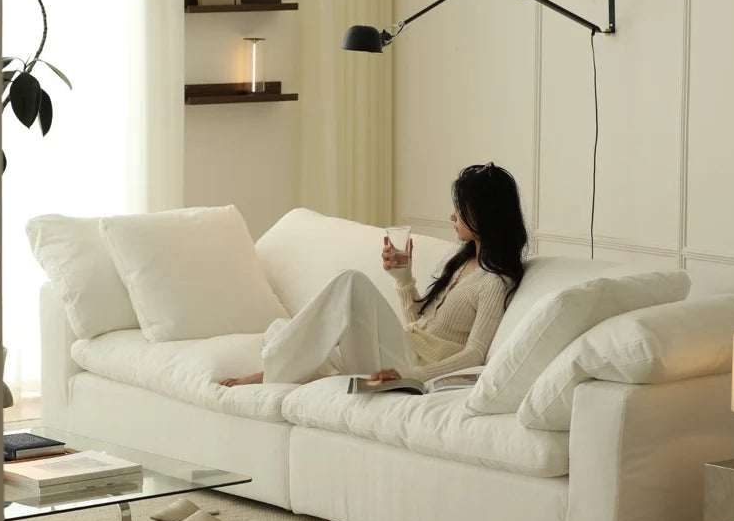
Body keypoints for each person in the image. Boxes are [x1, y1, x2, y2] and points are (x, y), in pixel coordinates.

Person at [220, 162, 528, 387]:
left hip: (411, 366)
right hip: (403, 353)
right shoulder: (463, 261)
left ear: (486, 214)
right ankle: (287, 369)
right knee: (284, 330)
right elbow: (415, 325)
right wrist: (403, 277)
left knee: (350, 283)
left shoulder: (494, 283)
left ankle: (271, 373)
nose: (452, 216)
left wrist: (411, 375)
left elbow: (475, 354)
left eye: (461, 209)